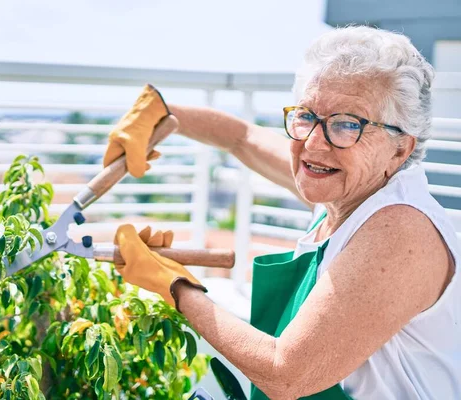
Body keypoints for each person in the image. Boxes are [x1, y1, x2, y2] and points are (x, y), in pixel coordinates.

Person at [103, 26, 460, 399]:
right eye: (307, 116)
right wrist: (164, 111)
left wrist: (174, 285)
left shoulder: (399, 228)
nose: (313, 142)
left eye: (347, 124)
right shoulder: (345, 192)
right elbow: (242, 137)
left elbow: (287, 374)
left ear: (400, 149)